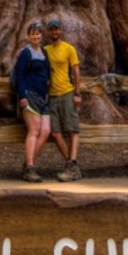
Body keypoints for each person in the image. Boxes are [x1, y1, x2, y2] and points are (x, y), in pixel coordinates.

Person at [45, 16, 82, 181]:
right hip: (52, 96)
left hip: (67, 93)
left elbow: (76, 71)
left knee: (72, 130)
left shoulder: (69, 49)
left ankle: (72, 165)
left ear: (61, 30)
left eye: (56, 29)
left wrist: (77, 93)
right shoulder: (45, 50)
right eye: (51, 29)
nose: (54, 32)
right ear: (49, 32)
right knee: (55, 133)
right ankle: (72, 166)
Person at [15, 20, 52, 182]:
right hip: (30, 95)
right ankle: (30, 168)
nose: (36, 36)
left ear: (41, 35)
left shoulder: (44, 52)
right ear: (28, 36)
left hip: (43, 97)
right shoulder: (26, 53)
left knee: (46, 131)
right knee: (34, 131)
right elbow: (19, 75)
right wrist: (22, 95)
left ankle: (27, 164)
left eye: (38, 33)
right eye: (33, 34)